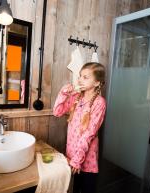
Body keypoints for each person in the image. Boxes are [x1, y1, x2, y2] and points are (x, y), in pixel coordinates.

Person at [53, 62, 106, 193]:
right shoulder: (76, 97)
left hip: (86, 160)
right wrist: (63, 94)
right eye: (80, 76)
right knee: (75, 189)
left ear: (97, 83)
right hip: (71, 156)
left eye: (85, 77)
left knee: (87, 189)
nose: (80, 79)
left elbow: (89, 133)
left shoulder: (99, 103)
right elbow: (57, 112)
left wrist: (78, 160)